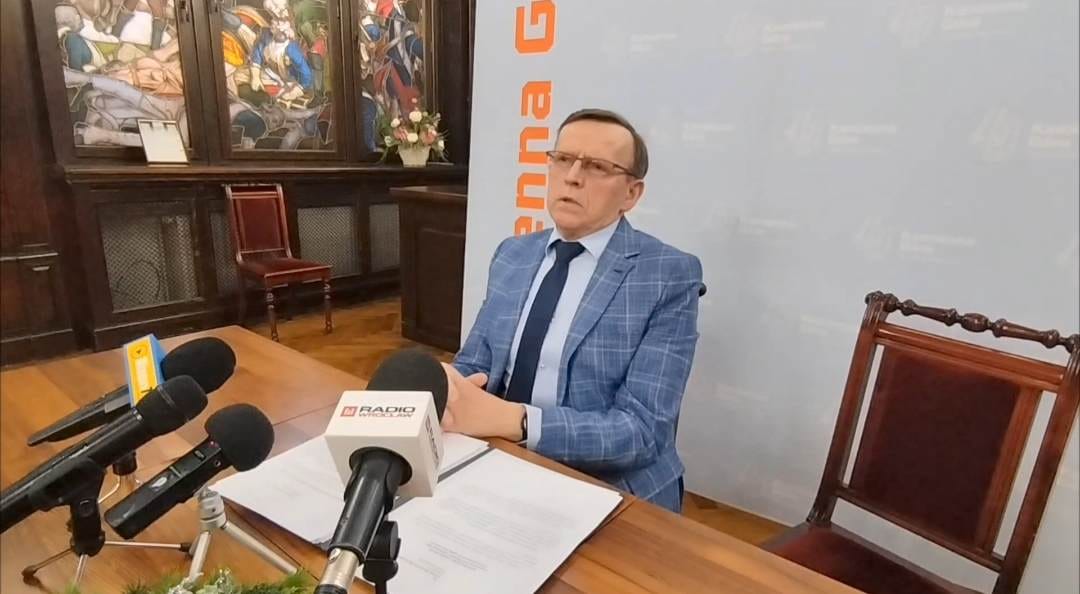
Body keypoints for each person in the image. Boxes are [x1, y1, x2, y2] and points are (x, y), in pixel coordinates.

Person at [443, 108, 703, 512]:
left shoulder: (666, 275)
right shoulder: (513, 254)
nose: (573, 177)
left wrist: (517, 421)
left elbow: (643, 431)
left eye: (597, 167)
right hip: (502, 460)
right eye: (563, 159)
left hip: (610, 487)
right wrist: (449, 386)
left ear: (631, 194)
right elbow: (476, 362)